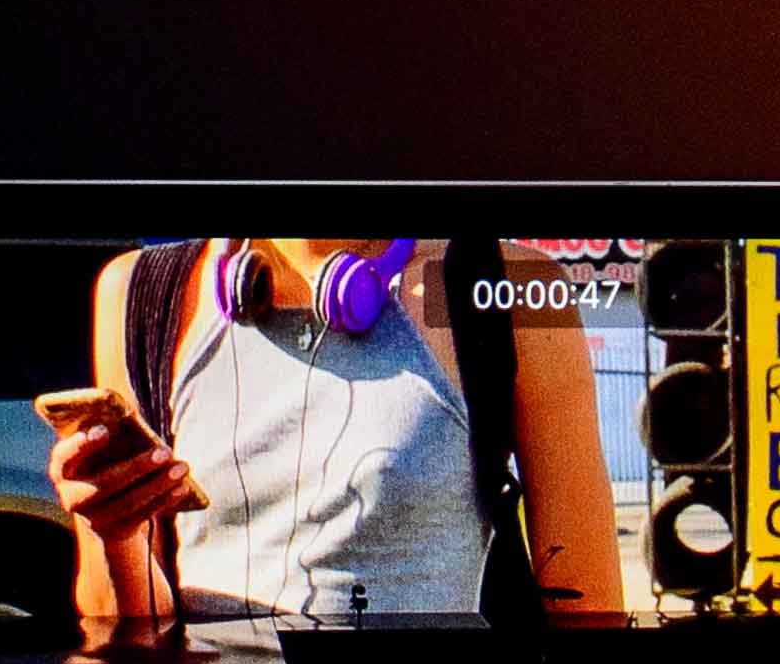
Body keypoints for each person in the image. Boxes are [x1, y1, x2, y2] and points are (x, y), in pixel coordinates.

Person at [48, 238, 623, 620]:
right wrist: (116, 534)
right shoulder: (139, 293)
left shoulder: (509, 285)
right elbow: (117, 627)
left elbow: (588, 609)